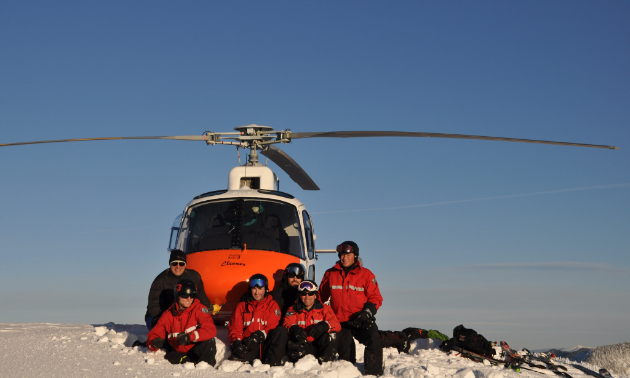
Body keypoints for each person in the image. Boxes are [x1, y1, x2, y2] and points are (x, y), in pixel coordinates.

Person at [319, 241, 384, 375]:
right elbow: (320, 297)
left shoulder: (366, 275)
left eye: (349, 255)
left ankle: (373, 373)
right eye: (342, 255)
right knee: (346, 360)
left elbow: (376, 298)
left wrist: (367, 313)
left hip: (361, 318)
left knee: (374, 339)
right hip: (341, 321)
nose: (345, 258)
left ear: (355, 255)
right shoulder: (330, 274)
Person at [146, 279, 218, 366]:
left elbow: (211, 329)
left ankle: (205, 370)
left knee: (209, 341)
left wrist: (189, 337)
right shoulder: (168, 314)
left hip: (198, 351)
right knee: (169, 357)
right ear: (177, 296)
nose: (189, 299)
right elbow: (154, 335)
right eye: (185, 295)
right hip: (180, 353)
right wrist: (153, 344)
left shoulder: (199, 309)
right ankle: (188, 364)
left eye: (192, 295)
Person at [145, 249, 212, 330]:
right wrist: (170, 318)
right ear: (170, 264)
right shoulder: (160, 280)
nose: (178, 266)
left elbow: (201, 297)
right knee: (161, 329)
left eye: (181, 263)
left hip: (183, 316)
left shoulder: (194, 277)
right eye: (174, 263)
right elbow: (153, 306)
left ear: (185, 265)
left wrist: (207, 309)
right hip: (160, 315)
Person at [227, 274, 286, 366]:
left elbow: (273, 325)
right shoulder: (241, 306)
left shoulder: (272, 305)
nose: (257, 292)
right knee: (233, 362)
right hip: (249, 346)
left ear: (265, 289)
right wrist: (236, 342)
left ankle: (272, 365)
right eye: (254, 289)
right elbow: (235, 328)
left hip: (266, 346)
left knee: (281, 331)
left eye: (260, 289)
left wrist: (259, 336)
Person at [283, 280, 342, 363]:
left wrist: (325, 325)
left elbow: (336, 324)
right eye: (304, 294)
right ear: (299, 295)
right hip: (303, 346)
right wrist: (293, 328)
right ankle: (299, 365)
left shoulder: (325, 309)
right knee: (292, 337)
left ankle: (325, 364)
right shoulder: (292, 309)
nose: (307, 296)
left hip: (320, 346)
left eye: (310, 293)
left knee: (332, 335)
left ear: (315, 295)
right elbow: (287, 323)